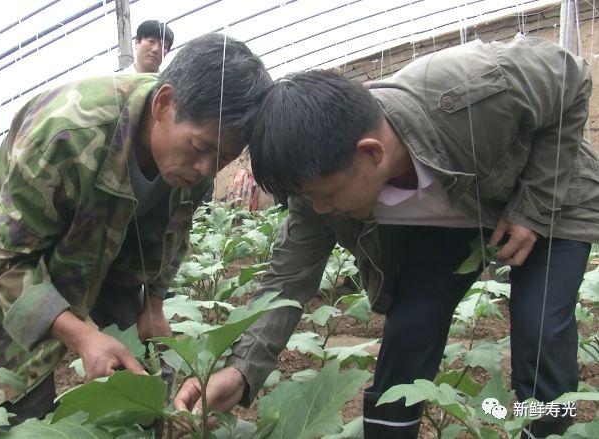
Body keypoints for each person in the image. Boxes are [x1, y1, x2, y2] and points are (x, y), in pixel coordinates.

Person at [174, 36, 598, 438]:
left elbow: (571, 76)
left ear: (371, 154)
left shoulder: (466, 90)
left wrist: (533, 206)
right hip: (452, 220)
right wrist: (242, 368)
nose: (321, 208)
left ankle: (544, 427)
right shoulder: (314, 185)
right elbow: (288, 278)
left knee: (541, 333)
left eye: (327, 196)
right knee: (409, 330)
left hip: (549, 198)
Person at [0, 33, 271, 424]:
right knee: (29, 409)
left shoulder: (200, 159)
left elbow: (174, 232)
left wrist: (154, 303)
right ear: (164, 103)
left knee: (143, 380)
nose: (207, 169)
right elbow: (1, 261)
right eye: (200, 147)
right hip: (8, 254)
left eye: (222, 157)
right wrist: (83, 335)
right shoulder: (66, 134)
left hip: (107, 246)